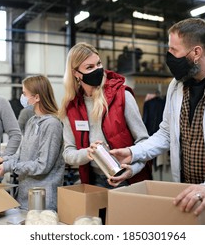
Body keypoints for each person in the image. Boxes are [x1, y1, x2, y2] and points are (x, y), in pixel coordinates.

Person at [110, 18, 205, 221]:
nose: (168, 56)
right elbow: (165, 133)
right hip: (189, 199)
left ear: (196, 53)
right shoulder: (177, 85)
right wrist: (133, 152)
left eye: (174, 50)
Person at [59, 42, 152, 188]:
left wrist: (132, 170)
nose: (97, 70)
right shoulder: (71, 108)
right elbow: (68, 153)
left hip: (127, 179)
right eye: (89, 67)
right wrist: (87, 153)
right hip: (92, 180)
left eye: (98, 64)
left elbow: (144, 143)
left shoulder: (122, 96)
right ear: (76, 73)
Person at [0, 75, 65, 211]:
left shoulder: (52, 125)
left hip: (43, 199)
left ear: (37, 97)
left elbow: (43, 165)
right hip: (25, 196)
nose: (22, 98)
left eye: (24, 94)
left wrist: (9, 167)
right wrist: (3, 160)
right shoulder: (32, 121)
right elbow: (23, 155)